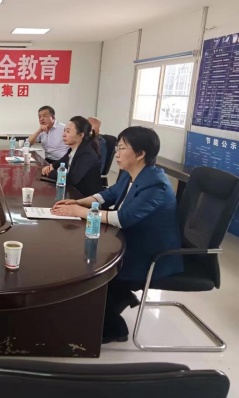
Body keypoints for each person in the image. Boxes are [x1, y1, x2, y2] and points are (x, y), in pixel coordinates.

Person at [51, 126, 182, 343]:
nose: (116, 154)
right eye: (117, 148)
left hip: (150, 255)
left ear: (140, 154)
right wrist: (79, 202)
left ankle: (112, 327)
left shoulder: (156, 184)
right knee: (81, 251)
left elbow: (124, 218)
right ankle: (113, 303)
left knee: (91, 264)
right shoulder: (131, 174)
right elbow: (109, 194)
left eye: (122, 148)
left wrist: (79, 212)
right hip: (129, 240)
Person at [41, 116, 102, 196]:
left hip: (85, 198)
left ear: (81, 135)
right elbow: (62, 161)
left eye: (68, 131)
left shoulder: (86, 154)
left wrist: (51, 172)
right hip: (72, 192)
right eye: (64, 131)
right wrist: (51, 166)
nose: (64, 134)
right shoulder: (73, 149)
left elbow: (72, 179)